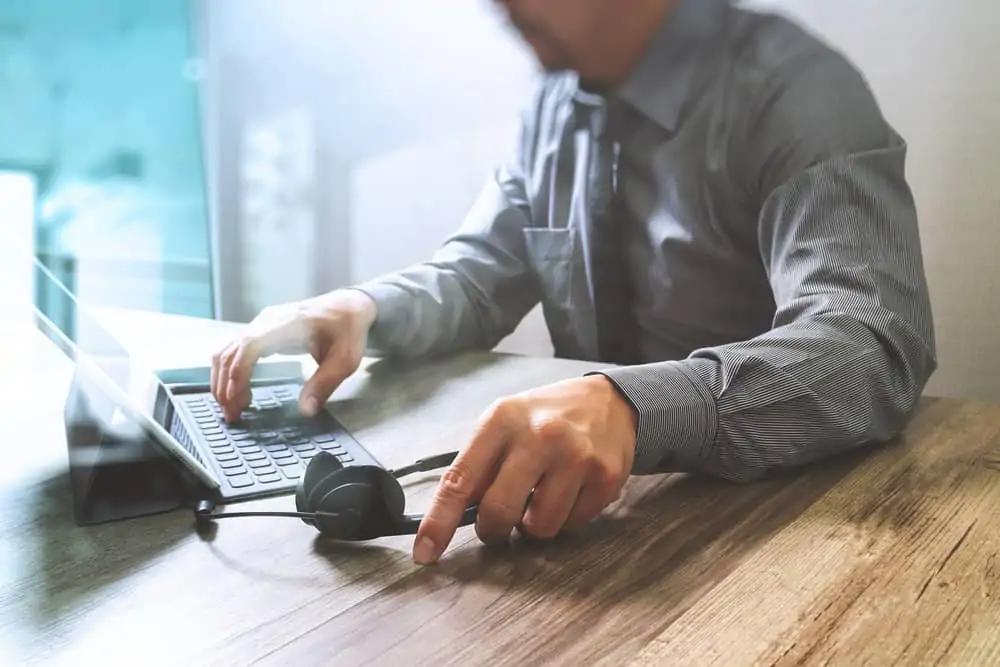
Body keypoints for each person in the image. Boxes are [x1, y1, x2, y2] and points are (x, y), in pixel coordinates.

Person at [210, 0, 937, 565]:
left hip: (790, 533)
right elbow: (476, 275)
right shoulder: (555, 107)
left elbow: (872, 341)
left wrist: (635, 406)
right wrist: (363, 307)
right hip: (588, 534)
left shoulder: (796, 90)